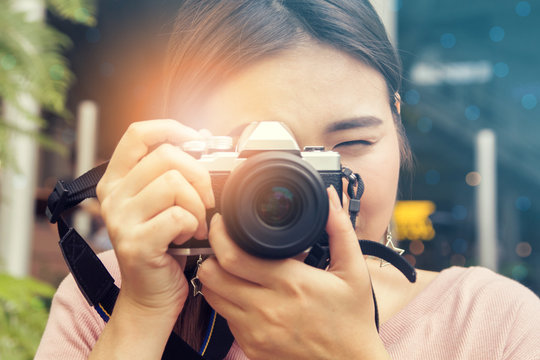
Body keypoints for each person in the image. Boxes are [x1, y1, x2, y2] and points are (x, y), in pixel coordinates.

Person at [36, 1, 540, 359]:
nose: (307, 189)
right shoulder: (110, 295)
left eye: (350, 147)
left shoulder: (489, 321)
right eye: (258, 155)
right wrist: (144, 312)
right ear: (189, 152)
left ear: (397, 123)